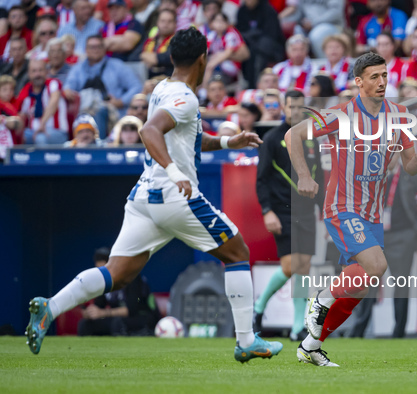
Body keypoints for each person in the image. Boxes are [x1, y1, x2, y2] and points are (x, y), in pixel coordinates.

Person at [26, 27, 284, 364]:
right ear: (203, 59)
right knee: (237, 252)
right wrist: (175, 173)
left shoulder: (163, 88)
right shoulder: (185, 97)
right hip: (174, 195)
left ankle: (51, 306)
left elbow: (184, 136)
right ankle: (246, 341)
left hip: (144, 197)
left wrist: (225, 142)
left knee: (117, 273)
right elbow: (150, 131)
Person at [285, 52, 417, 366]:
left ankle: (311, 345)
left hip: (372, 214)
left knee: (361, 285)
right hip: (342, 207)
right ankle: (321, 299)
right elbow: (292, 134)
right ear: (359, 82)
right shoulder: (341, 115)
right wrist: (302, 175)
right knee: (376, 266)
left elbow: (408, 166)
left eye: (384, 75)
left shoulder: (399, 115)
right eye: (374, 77)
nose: (382, 82)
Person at [254, 89, 323, 341]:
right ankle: (258, 307)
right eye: (291, 107)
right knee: (291, 264)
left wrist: (324, 213)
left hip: (306, 212)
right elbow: (261, 179)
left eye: (300, 108)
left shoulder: (311, 138)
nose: (295, 112)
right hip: (282, 211)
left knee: (303, 268)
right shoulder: (272, 139)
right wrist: (266, 211)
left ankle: (297, 328)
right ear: (283, 109)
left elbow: (320, 179)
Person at [348, 153, 417, 338]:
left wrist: (414, 233)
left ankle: (399, 331)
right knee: (369, 282)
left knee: (401, 284)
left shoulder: (411, 174)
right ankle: (359, 329)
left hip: (402, 237)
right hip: (377, 237)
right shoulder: (371, 177)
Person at [63, 35, 143, 137]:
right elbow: (68, 86)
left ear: (104, 49)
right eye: (92, 47)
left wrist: (121, 101)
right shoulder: (78, 69)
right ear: (86, 50)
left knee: (100, 110)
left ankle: (98, 147)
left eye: (99, 47)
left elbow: (136, 86)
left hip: (112, 112)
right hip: (83, 111)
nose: (95, 50)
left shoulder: (117, 66)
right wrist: (68, 91)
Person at [77, 247, 161, 336]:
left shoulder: (132, 277)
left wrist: (103, 313)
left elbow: (132, 309)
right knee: (85, 324)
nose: (102, 273)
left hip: (142, 317)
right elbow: (99, 306)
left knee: (117, 323)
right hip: (117, 319)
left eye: (104, 268)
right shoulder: (103, 281)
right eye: (99, 269)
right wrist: (90, 312)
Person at [18, 59, 69, 145]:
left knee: (40, 138)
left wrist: (42, 124)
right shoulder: (26, 91)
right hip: (33, 131)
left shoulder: (53, 83)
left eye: (40, 70)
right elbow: (21, 115)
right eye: (34, 71)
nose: (37, 74)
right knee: (18, 137)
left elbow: (54, 102)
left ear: (47, 72)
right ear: (29, 74)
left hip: (57, 132)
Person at [236, 0, 284, 89]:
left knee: (259, 52)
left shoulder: (268, 10)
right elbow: (240, 32)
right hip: (250, 45)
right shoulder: (242, 11)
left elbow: (272, 34)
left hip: (270, 48)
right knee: (246, 51)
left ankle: (256, 85)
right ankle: (249, 84)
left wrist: (253, 36)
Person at [204, 12, 250, 86]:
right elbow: (205, 51)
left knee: (222, 63)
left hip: (231, 65)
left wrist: (211, 65)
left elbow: (228, 52)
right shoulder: (211, 35)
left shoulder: (230, 34)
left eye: (222, 21)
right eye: (217, 21)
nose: (219, 24)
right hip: (217, 63)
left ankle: (208, 87)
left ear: (227, 23)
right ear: (211, 24)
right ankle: (204, 88)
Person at [140, 9, 176, 78]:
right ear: (157, 22)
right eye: (163, 21)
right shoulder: (150, 40)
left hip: (168, 78)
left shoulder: (177, 40)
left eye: (170, 21)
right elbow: (139, 55)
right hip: (147, 78)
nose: (166, 24)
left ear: (175, 24)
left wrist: (155, 58)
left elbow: (170, 57)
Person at [375, 32, 410, 97]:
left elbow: (406, 88)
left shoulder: (404, 66)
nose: (383, 47)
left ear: (393, 46)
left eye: (386, 44)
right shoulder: (370, 68)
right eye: (379, 44)